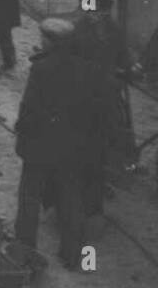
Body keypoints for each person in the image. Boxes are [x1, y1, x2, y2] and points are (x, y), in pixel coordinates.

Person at [15, 18, 99, 270]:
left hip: (40, 144)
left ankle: (24, 251)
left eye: (43, 38)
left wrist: (22, 133)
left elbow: (29, 107)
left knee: (29, 197)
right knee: (70, 197)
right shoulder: (84, 68)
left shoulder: (41, 68)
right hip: (71, 146)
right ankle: (74, 255)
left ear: (50, 41)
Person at [73, 0, 132, 219]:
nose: (97, 16)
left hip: (107, 97)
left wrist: (129, 68)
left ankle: (101, 184)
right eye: (95, 12)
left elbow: (123, 57)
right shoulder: (78, 30)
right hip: (83, 95)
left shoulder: (114, 31)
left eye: (102, 13)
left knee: (105, 142)